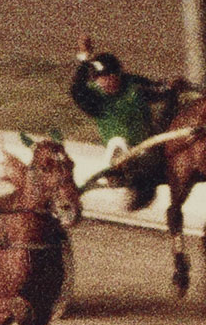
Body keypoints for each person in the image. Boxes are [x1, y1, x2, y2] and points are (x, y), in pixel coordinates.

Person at [69, 36, 180, 210]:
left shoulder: (133, 85)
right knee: (118, 142)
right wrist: (85, 58)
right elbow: (76, 88)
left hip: (148, 144)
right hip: (119, 152)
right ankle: (117, 173)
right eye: (100, 78)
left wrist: (171, 87)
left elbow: (159, 90)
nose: (105, 82)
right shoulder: (93, 98)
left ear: (119, 74)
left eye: (110, 76)